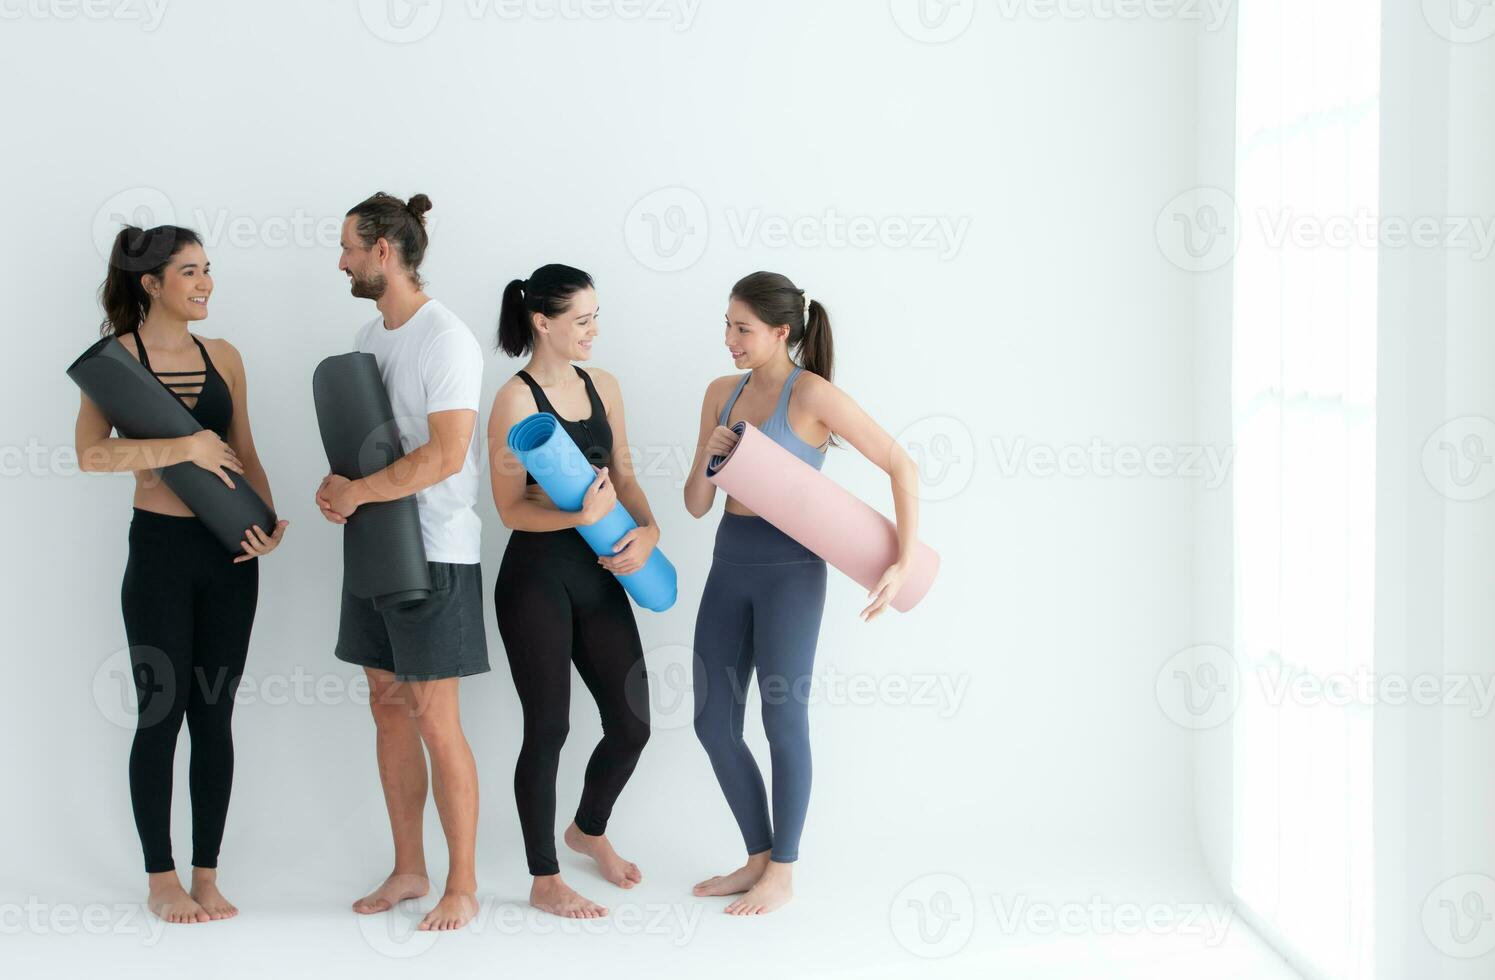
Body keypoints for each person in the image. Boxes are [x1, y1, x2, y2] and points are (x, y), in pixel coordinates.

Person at [682, 271, 922, 915]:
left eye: (743, 328)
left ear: (781, 332)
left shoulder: (811, 393)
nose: (730, 339)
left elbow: (903, 464)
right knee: (711, 722)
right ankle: (758, 858)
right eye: (727, 325)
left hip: (792, 570)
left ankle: (783, 873)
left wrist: (900, 561)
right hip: (729, 563)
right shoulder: (719, 394)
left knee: (782, 718)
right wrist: (709, 458)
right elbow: (697, 505)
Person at [75, 224, 288, 924]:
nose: (205, 284)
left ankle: (206, 873)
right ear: (152, 283)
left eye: (207, 270)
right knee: (160, 715)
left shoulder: (224, 355)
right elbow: (90, 456)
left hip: (229, 556)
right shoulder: (115, 362)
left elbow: (244, 450)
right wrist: (182, 447)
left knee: (215, 715)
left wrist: (267, 521)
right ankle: (159, 878)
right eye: (190, 272)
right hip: (161, 554)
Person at [317, 192, 488, 932]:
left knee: (434, 717)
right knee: (385, 705)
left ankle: (463, 885)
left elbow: (446, 455)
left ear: (383, 251)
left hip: (437, 552)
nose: (344, 259)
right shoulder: (368, 334)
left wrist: (359, 490)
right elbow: (369, 448)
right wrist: (339, 490)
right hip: (374, 548)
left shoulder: (444, 339)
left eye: (351, 246)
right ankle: (408, 869)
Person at [486, 265, 659, 918]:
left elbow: (625, 473)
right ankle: (544, 878)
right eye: (581, 319)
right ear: (542, 323)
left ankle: (587, 830)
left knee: (633, 722)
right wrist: (578, 518)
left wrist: (647, 528)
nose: (593, 330)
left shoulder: (602, 385)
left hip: (603, 569)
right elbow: (508, 509)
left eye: (595, 317)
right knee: (549, 726)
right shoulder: (515, 400)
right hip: (535, 576)